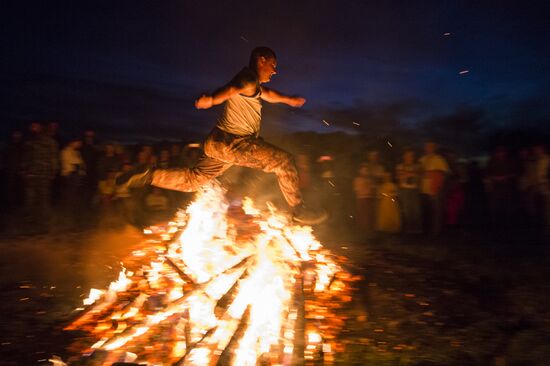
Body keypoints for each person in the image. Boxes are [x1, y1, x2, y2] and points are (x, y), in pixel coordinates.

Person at [117, 47, 326, 224]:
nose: (275, 70)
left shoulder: (255, 86)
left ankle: (148, 175)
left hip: (219, 143)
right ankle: (299, 210)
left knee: (193, 180)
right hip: (234, 142)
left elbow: (269, 94)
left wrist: (290, 100)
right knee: (284, 162)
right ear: (261, 60)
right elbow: (232, 88)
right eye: (273, 64)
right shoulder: (248, 78)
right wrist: (212, 100)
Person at [419, 141, 449, 236]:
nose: (429, 148)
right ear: (425, 148)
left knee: (436, 211)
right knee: (427, 210)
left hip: (435, 190)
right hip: (424, 190)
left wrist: (437, 185)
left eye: (431, 147)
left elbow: (444, 174)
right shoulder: (422, 160)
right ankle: (427, 230)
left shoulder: (439, 159)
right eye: (427, 146)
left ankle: (436, 232)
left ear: (434, 148)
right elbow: (419, 173)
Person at [396, 149, 422, 233]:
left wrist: (407, 174)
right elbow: (399, 177)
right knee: (407, 210)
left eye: (411, 156)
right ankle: (408, 229)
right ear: (404, 157)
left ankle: (416, 229)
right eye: (407, 155)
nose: (409, 158)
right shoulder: (400, 166)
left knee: (416, 210)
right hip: (404, 190)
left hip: (414, 190)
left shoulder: (417, 166)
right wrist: (411, 174)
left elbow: (419, 177)